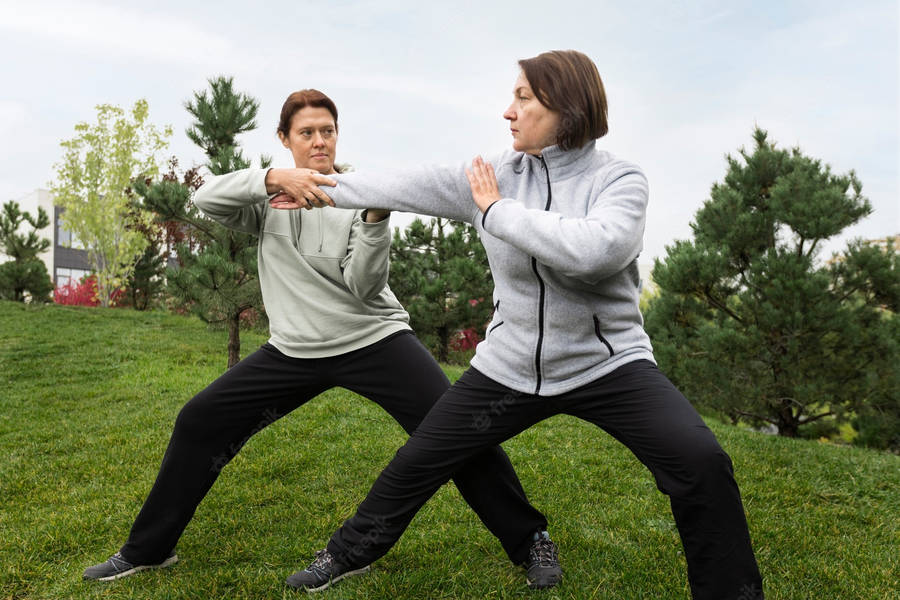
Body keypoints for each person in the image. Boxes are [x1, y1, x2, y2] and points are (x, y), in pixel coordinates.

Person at [271, 52, 765, 599]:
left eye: (524, 98)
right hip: (509, 365)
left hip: (607, 364)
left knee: (701, 461)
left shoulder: (618, 179)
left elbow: (595, 251)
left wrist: (496, 212)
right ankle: (347, 553)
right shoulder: (495, 174)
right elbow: (401, 184)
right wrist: (311, 184)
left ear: (568, 106)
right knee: (418, 461)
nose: (509, 112)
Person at [82, 89, 562, 591]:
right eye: (307, 133)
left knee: (455, 432)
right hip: (293, 349)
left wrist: (375, 220)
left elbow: (364, 285)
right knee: (200, 421)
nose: (319, 141)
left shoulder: (357, 190)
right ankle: (148, 549)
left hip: (374, 338)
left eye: (327, 131)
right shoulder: (267, 199)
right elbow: (203, 200)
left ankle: (530, 540)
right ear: (285, 140)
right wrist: (270, 178)